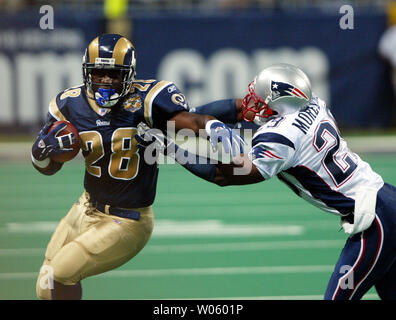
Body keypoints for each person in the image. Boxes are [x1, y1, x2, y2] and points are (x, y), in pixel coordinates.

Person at [137, 63, 396, 300]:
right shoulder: (314, 104)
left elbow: (223, 175)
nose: (252, 101)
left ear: (278, 103)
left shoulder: (280, 138)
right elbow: (240, 107)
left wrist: (172, 148)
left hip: (376, 219)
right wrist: (188, 120)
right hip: (387, 198)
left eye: (259, 97)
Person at [31, 33, 245, 300]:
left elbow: (187, 120)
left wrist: (209, 124)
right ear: (87, 73)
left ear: (129, 75)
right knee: (45, 285)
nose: (107, 81)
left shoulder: (146, 99)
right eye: (100, 73)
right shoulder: (67, 104)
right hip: (86, 206)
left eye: (115, 75)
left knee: (62, 273)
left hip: (127, 220)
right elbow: (48, 167)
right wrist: (42, 152)